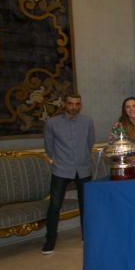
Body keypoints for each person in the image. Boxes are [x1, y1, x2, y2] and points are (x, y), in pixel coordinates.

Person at [41, 94, 95, 255]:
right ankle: (50, 240)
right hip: (61, 169)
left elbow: (90, 142)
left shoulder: (87, 122)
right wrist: (59, 160)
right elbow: (49, 147)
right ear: (65, 104)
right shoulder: (52, 123)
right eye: (71, 103)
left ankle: (87, 237)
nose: (74, 106)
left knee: (86, 205)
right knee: (55, 205)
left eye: (77, 104)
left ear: (80, 105)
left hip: (83, 168)